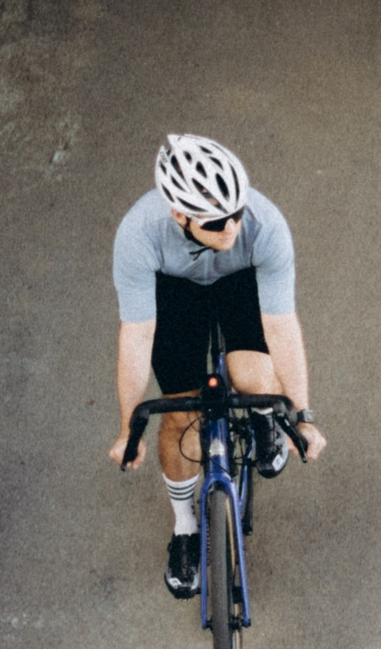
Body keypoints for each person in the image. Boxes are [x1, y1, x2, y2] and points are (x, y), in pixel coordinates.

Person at [109, 133, 329, 597]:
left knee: (254, 377)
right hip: (174, 290)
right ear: (179, 215)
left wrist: (302, 415)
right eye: (215, 221)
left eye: (236, 213)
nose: (230, 227)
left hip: (239, 281)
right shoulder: (138, 234)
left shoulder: (264, 227)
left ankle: (264, 419)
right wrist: (130, 427)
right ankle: (186, 528)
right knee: (179, 418)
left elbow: (282, 326)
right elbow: (136, 338)